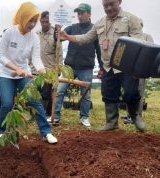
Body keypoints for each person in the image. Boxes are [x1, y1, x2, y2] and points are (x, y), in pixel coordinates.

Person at [60, 0, 145, 132]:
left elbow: (138, 44)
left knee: (130, 93)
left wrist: (136, 67)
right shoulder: (100, 23)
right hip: (108, 66)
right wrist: (68, 37)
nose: (109, 8)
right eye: (106, 5)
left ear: (119, 2)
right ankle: (111, 122)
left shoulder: (131, 19)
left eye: (112, 4)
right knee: (109, 94)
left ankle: (135, 116)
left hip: (126, 66)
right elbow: (87, 37)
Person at [0, 2, 58, 144]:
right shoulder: (10, 32)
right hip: (6, 73)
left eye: (34, 21)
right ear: (22, 17)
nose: (32, 24)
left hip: (24, 73)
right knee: (6, 103)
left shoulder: (34, 38)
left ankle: (46, 132)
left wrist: (43, 71)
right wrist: (15, 69)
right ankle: (1, 131)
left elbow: (36, 59)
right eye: (30, 20)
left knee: (35, 101)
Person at [49, 3, 102, 127]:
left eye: (82, 13)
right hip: (70, 67)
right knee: (59, 91)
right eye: (78, 13)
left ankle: (84, 117)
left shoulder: (94, 30)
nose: (79, 15)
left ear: (89, 14)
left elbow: (99, 51)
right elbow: (60, 38)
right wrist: (56, 33)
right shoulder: (72, 27)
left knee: (85, 94)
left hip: (86, 68)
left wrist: (102, 67)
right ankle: (55, 116)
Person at [123, 22, 154, 124]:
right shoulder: (129, 37)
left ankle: (138, 117)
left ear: (141, 26)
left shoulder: (147, 36)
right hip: (129, 70)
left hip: (141, 70)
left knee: (140, 93)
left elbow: (152, 52)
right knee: (129, 93)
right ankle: (129, 116)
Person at [36, 11, 63, 117]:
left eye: (46, 21)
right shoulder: (37, 34)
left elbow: (59, 52)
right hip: (37, 68)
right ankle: (42, 112)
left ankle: (42, 114)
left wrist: (59, 67)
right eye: (42, 22)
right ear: (40, 22)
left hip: (50, 69)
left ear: (49, 21)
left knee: (46, 93)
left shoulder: (55, 34)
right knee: (39, 91)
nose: (45, 24)